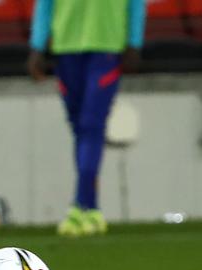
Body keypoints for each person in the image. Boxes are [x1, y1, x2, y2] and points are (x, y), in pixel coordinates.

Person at [28, 0, 145, 236]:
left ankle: (80, 205)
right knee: (80, 129)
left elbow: (136, 3)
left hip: (106, 46)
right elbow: (45, 5)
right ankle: (91, 209)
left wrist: (133, 41)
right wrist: (38, 46)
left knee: (91, 125)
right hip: (66, 47)